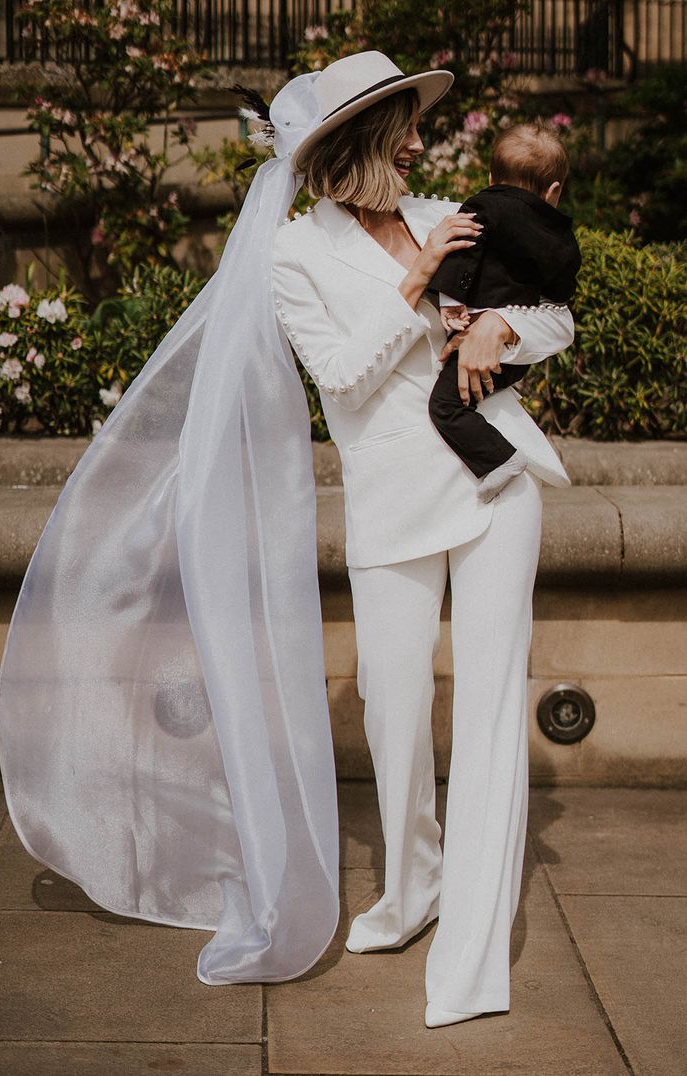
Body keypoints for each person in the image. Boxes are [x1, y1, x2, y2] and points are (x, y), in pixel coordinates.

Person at [272, 50, 573, 1027]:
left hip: (495, 478)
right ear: (360, 143)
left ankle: (472, 959)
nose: (418, 141)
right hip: (392, 496)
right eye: (402, 126)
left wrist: (499, 333)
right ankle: (411, 890)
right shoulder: (294, 254)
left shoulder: (445, 205)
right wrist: (412, 289)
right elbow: (342, 381)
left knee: (488, 713)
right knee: (392, 711)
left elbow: (552, 313)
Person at [425, 123, 582, 502]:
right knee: (469, 397)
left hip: (473, 337)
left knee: (445, 406)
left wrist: (451, 302)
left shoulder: (483, 206)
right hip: (515, 358)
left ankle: (499, 459)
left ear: (491, 176)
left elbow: (464, 253)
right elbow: (561, 291)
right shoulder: (560, 233)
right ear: (554, 191)